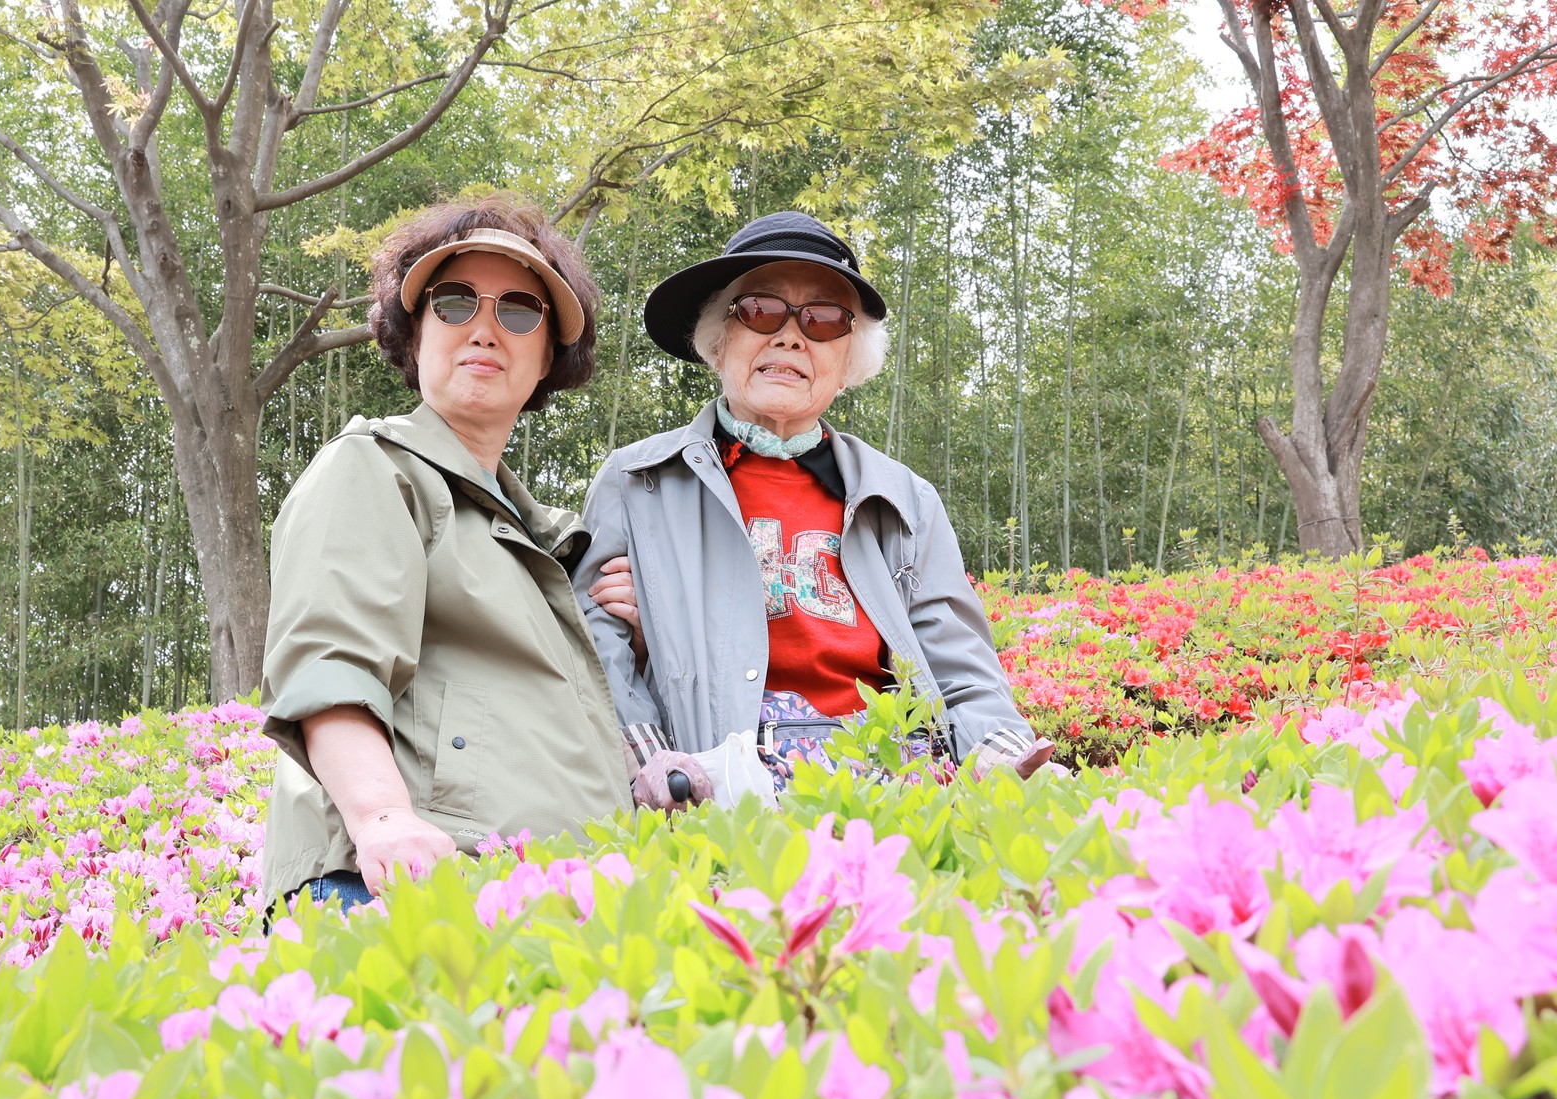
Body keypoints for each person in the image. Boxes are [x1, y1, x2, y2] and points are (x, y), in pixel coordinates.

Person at [575, 210, 1052, 806]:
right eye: (760, 310)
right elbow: (600, 650)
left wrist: (1004, 754)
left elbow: (962, 670)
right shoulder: (638, 479)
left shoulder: (906, 500)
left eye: (824, 319)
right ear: (719, 343)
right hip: (722, 782)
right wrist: (652, 761)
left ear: (848, 363)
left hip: (895, 778)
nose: (790, 336)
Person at [260, 194, 629, 913]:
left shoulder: (545, 542)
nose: (485, 329)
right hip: (404, 886)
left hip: (536, 902)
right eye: (455, 302)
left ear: (548, 357)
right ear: (416, 333)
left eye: (520, 311)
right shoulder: (374, 467)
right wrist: (381, 817)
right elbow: (331, 661)